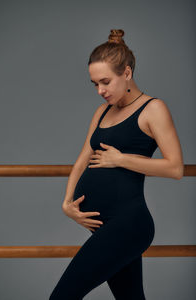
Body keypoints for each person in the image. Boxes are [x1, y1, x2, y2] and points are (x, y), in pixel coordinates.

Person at [49, 29, 184, 299]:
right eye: (95, 84)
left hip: (129, 224)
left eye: (105, 82)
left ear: (127, 73)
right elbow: (82, 159)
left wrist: (120, 159)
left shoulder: (153, 109)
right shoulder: (103, 111)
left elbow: (175, 168)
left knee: (62, 296)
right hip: (106, 224)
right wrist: (66, 203)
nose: (100, 91)